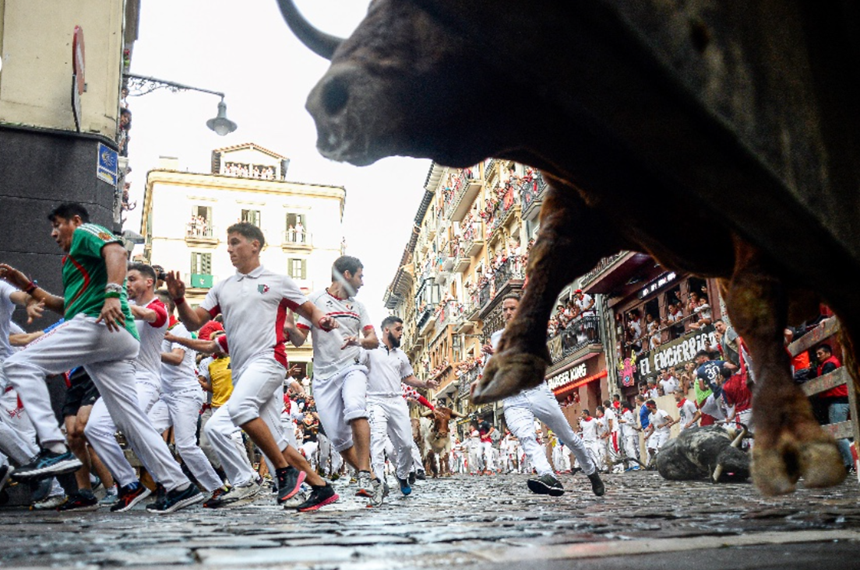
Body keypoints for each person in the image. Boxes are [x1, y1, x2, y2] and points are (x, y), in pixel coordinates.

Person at [0, 205, 199, 513]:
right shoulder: (74, 264)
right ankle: (180, 486)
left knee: (16, 364)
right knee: (129, 418)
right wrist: (25, 285)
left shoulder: (85, 232)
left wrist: (111, 294)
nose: (53, 233)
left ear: (75, 221)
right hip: (112, 338)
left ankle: (54, 449)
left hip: (101, 325)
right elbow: (66, 307)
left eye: (57, 225)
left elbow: (117, 252)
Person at [166, 222, 338, 512]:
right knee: (278, 441)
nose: (229, 249)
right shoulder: (222, 288)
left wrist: (323, 321)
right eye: (228, 244)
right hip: (243, 370)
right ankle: (321, 487)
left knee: (240, 410)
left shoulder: (278, 280)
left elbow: (308, 310)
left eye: (235, 242)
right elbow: (194, 321)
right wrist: (180, 299)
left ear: (255, 245)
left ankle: (284, 473)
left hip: (270, 361)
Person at [283, 255, 380, 506]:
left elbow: (373, 340)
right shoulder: (314, 301)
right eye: (360, 276)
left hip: (352, 367)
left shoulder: (358, 307)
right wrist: (289, 322)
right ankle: (371, 477)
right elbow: (298, 339)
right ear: (346, 275)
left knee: (356, 407)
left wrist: (357, 340)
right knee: (338, 440)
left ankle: (363, 475)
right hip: (324, 377)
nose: (362, 282)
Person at [483, 295, 602, 496]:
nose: (508, 313)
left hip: (537, 392)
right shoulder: (495, 338)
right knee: (526, 436)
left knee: (568, 437)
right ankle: (549, 476)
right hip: (513, 399)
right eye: (505, 310)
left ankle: (591, 472)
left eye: (512, 308)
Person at [359, 315, 437, 500]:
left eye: (402, 330)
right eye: (398, 329)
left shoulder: (401, 355)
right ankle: (379, 482)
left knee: (407, 445)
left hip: (397, 401)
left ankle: (401, 475)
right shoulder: (369, 351)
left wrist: (425, 384)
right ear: (387, 330)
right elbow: (357, 369)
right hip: (375, 400)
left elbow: (408, 378)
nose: (402, 333)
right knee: (377, 441)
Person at [812, 344, 852, 471]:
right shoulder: (827, 364)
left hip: (838, 402)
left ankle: (850, 463)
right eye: (817, 354)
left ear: (828, 353)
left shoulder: (829, 364)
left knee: (838, 434)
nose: (818, 356)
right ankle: (847, 462)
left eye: (820, 354)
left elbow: (823, 380)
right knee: (838, 433)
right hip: (837, 401)